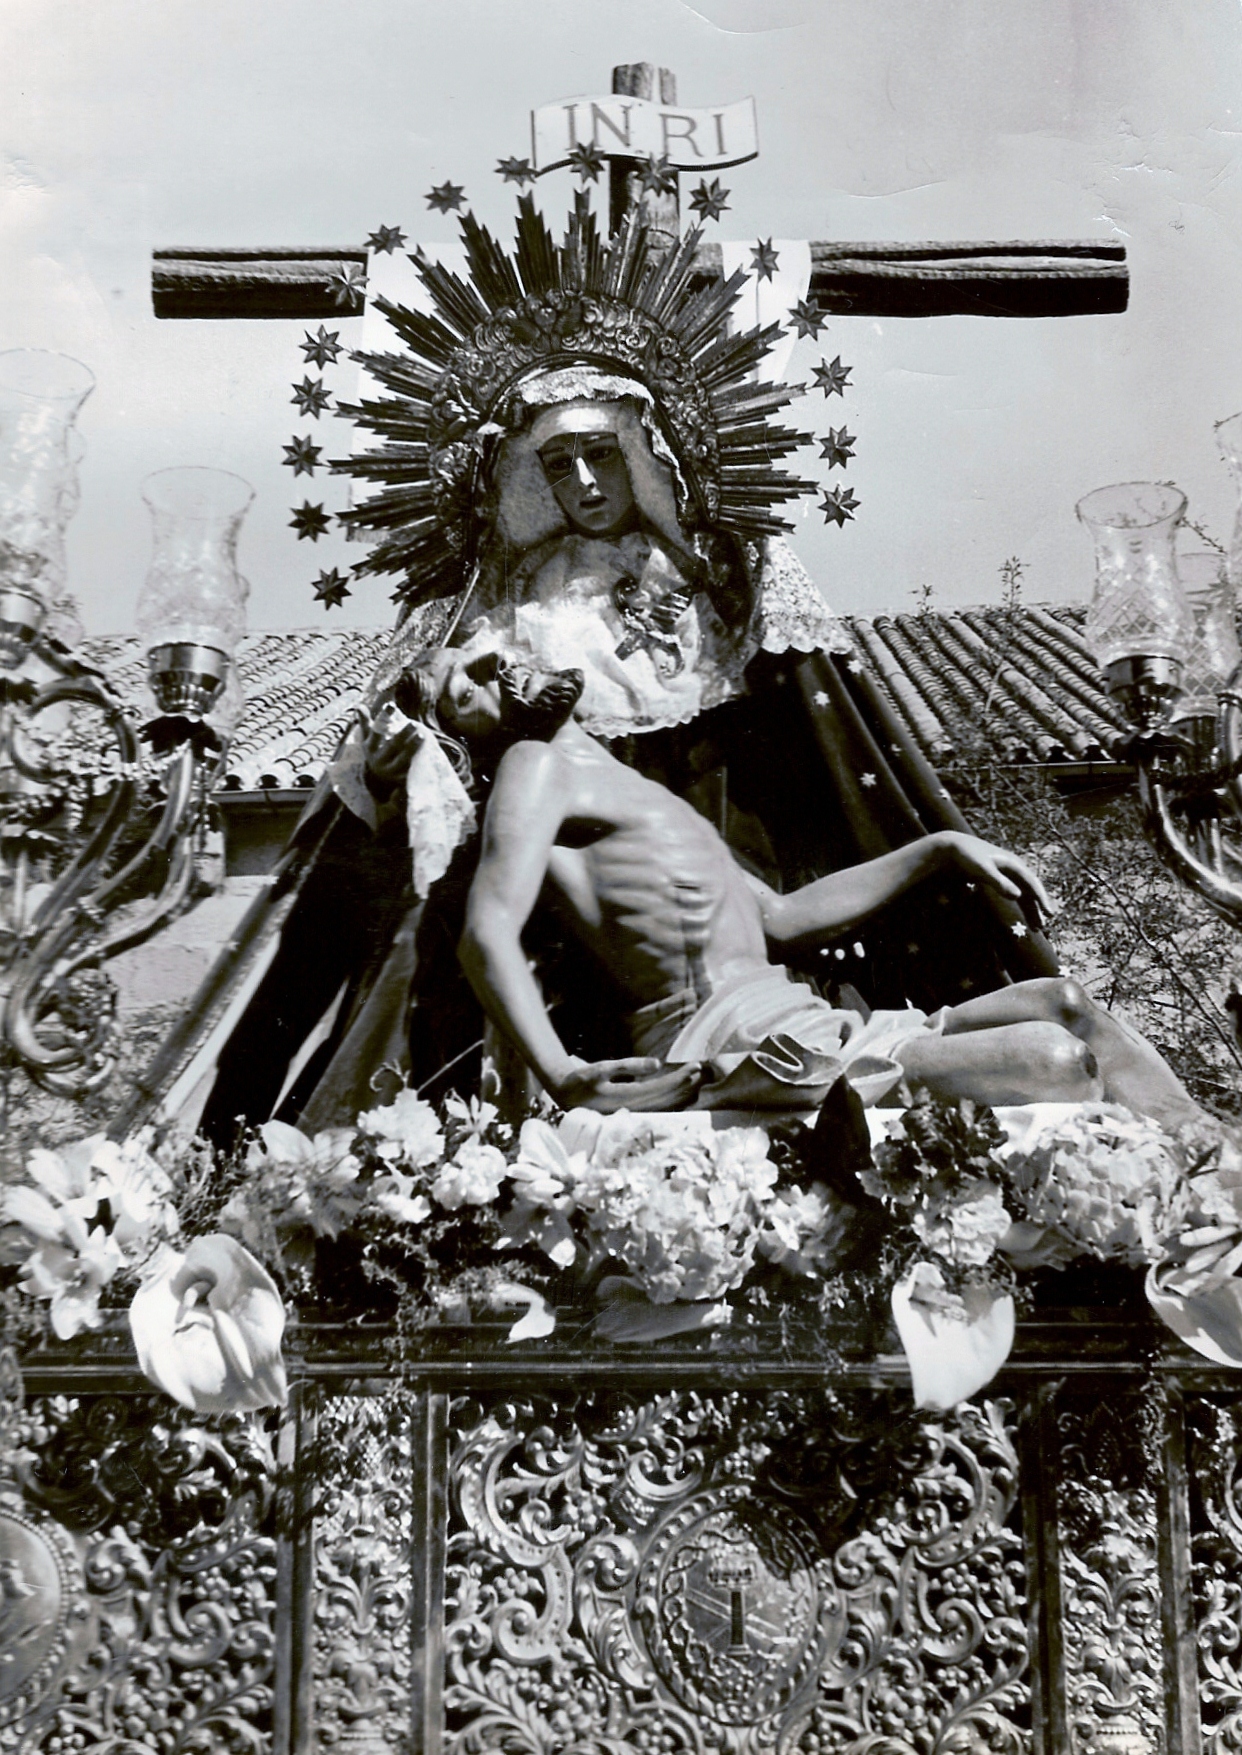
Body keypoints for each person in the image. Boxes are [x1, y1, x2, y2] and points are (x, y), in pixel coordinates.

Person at [394, 646, 1202, 1129]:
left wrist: (940, 848)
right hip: (729, 1037)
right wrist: (565, 1074)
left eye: (484, 650)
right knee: (1057, 1059)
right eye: (464, 684)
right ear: (458, 736)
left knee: (1064, 1001)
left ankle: (1214, 1168)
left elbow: (779, 918)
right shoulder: (534, 766)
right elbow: (485, 932)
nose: (493, 665)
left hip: (798, 1013)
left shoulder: (632, 789)